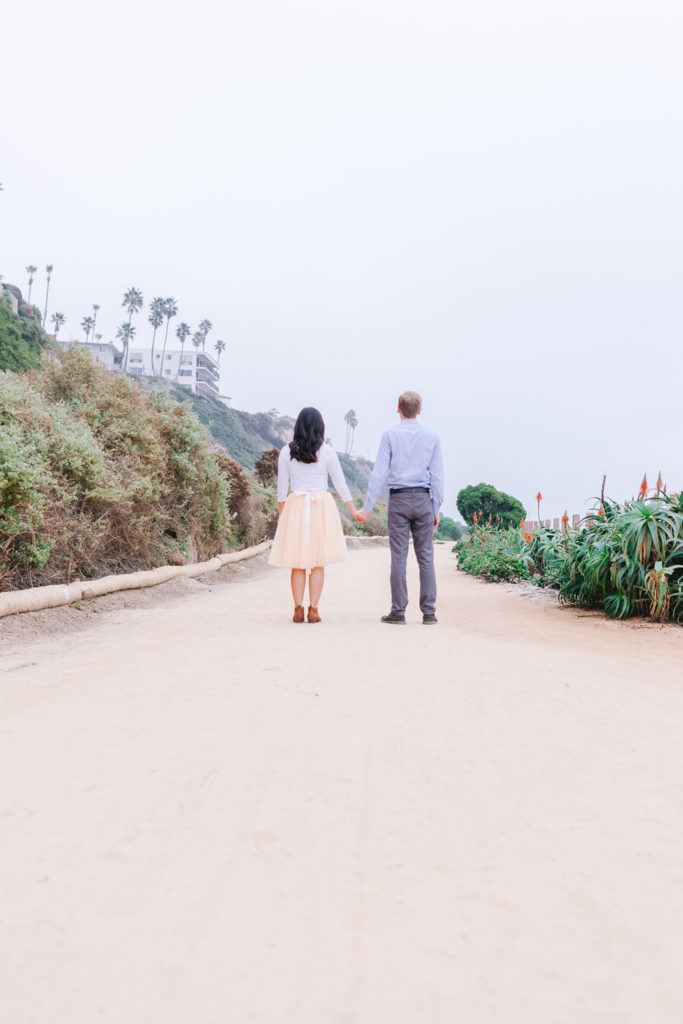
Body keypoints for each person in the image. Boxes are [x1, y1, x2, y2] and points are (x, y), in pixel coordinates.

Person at [357, 391, 444, 624]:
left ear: (398, 408)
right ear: (420, 410)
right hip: (424, 500)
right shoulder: (432, 437)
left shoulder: (389, 435)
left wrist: (367, 507)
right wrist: (436, 508)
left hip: (399, 499)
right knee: (425, 556)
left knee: (399, 556)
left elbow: (379, 474)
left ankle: (398, 611)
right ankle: (429, 613)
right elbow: (437, 476)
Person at [269, 407, 361, 623]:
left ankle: (298, 608)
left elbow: (282, 489)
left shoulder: (286, 451)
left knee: (298, 562)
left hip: (295, 507)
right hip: (321, 507)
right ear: (320, 427)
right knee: (318, 561)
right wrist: (353, 511)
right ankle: (314, 609)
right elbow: (340, 484)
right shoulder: (327, 452)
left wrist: (283, 519)